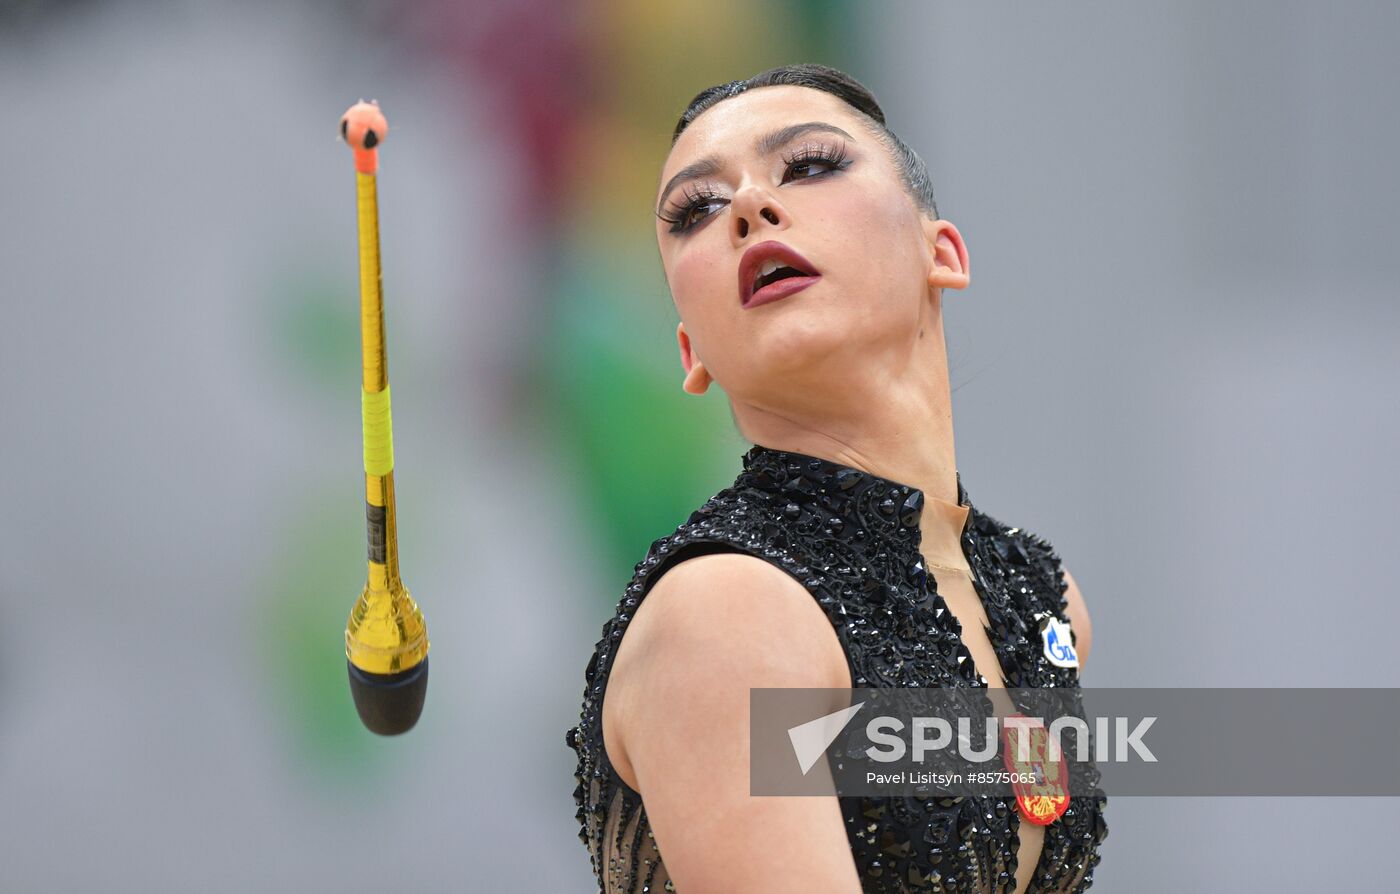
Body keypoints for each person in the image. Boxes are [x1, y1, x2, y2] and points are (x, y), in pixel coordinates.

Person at [566, 63, 1108, 894]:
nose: (748, 206)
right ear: (691, 352)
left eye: (811, 165)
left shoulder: (1042, 599)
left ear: (943, 252)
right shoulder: (728, 610)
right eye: (697, 210)